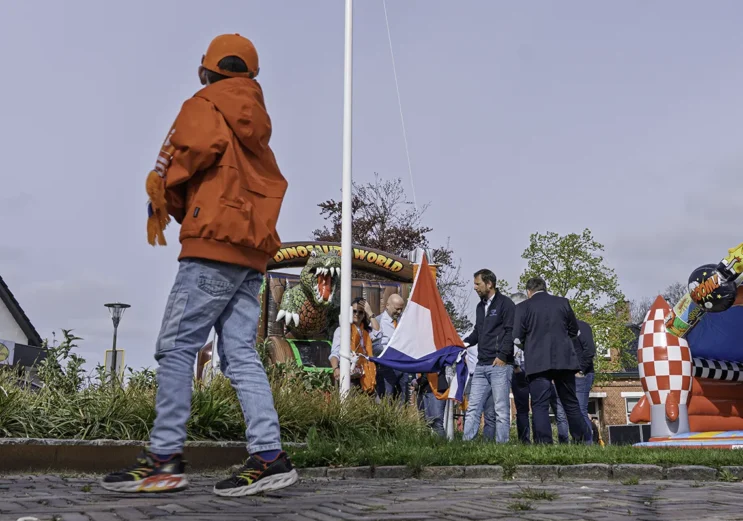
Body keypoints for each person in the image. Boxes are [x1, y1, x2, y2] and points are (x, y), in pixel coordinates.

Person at [102, 34, 298, 496]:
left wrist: (162, 194)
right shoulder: (256, 121)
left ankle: (164, 460)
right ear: (251, 75)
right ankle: (269, 457)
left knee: (176, 347)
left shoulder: (205, 104)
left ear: (205, 70)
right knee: (240, 354)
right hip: (251, 254)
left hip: (212, 244)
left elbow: (188, 152)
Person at [512, 277, 591, 445]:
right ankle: (582, 440)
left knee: (540, 404)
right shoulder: (563, 303)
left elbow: (517, 338)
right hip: (564, 361)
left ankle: (544, 442)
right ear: (545, 288)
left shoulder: (522, 307)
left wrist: (529, 346)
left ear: (529, 292)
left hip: (537, 362)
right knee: (570, 402)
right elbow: (575, 332)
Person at [462, 269, 516, 443]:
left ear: (489, 284)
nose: (475, 287)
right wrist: (462, 344)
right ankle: (466, 444)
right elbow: (477, 332)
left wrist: (502, 356)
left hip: (499, 364)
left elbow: (510, 332)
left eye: (478, 284)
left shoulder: (506, 304)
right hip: (481, 365)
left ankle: (501, 445)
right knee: (473, 407)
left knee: (501, 409)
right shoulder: (480, 307)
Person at [550, 318, 597, 442]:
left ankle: (587, 444)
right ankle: (576, 443)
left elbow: (589, 350)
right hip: (565, 375)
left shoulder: (582, 326)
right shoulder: (558, 329)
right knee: (568, 413)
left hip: (581, 375)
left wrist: (580, 370)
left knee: (580, 411)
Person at [329, 297, 381, 393]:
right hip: (349, 376)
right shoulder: (341, 330)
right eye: (354, 311)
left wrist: (370, 312)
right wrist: (335, 368)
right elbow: (335, 353)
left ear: (364, 315)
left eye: (360, 312)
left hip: (365, 375)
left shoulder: (366, 332)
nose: (357, 314)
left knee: (375, 401)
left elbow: (378, 333)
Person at [373, 294, 408, 401]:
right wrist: (390, 352)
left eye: (401, 309)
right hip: (386, 368)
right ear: (387, 305)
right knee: (386, 401)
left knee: (402, 402)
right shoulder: (378, 321)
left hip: (403, 368)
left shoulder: (403, 322)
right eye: (397, 309)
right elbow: (374, 347)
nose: (399, 312)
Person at [509, 292, 532, 444]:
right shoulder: (532, 321)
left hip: (526, 366)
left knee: (525, 408)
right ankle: (532, 441)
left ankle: (528, 441)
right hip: (522, 367)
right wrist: (515, 366)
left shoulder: (511, 323)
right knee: (529, 407)